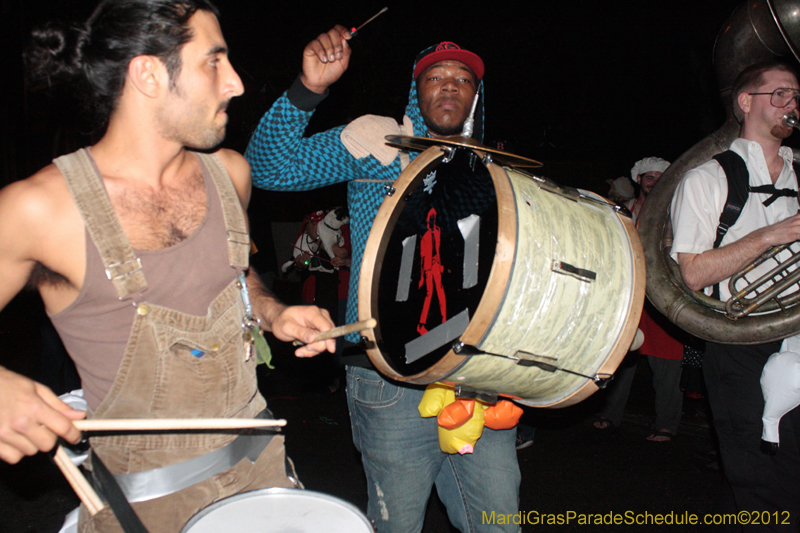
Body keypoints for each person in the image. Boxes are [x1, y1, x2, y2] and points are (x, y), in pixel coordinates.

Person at [0, 1, 335, 531]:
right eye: (213, 61)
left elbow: (236, 276)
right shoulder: (40, 209)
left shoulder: (231, 174)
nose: (236, 84)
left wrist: (271, 313)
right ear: (148, 74)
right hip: (143, 510)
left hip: (262, 482)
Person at [245, 29, 520, 533]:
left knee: (499, 523)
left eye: (462, 78)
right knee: (398, 524)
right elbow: (266, 169)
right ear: (416, 92)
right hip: (386, 369)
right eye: (434, 78)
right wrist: (308, 89)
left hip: (475, 373)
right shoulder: (378, 146)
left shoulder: (495, 173)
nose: (449, 87)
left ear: (476, 95)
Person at [670, 60, 800, 528]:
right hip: (738, 339)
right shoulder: (706, 179)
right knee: (753, 476)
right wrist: (771, 235)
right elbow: (695, 274)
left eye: (796, 97)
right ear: (746, 103)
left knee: (792, 474)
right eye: (780, 94)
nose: (792, 105)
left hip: (796, 338)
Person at [595, 157, 686, 442]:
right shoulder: (626, 210)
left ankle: (667, 424)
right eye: (649, 176)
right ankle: (610, 415)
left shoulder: (677, 211)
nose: (654, 180)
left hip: (663, 297)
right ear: (639, 179)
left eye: (661, 176)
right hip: (630, 293)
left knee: (667, 365)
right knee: (622, 360)